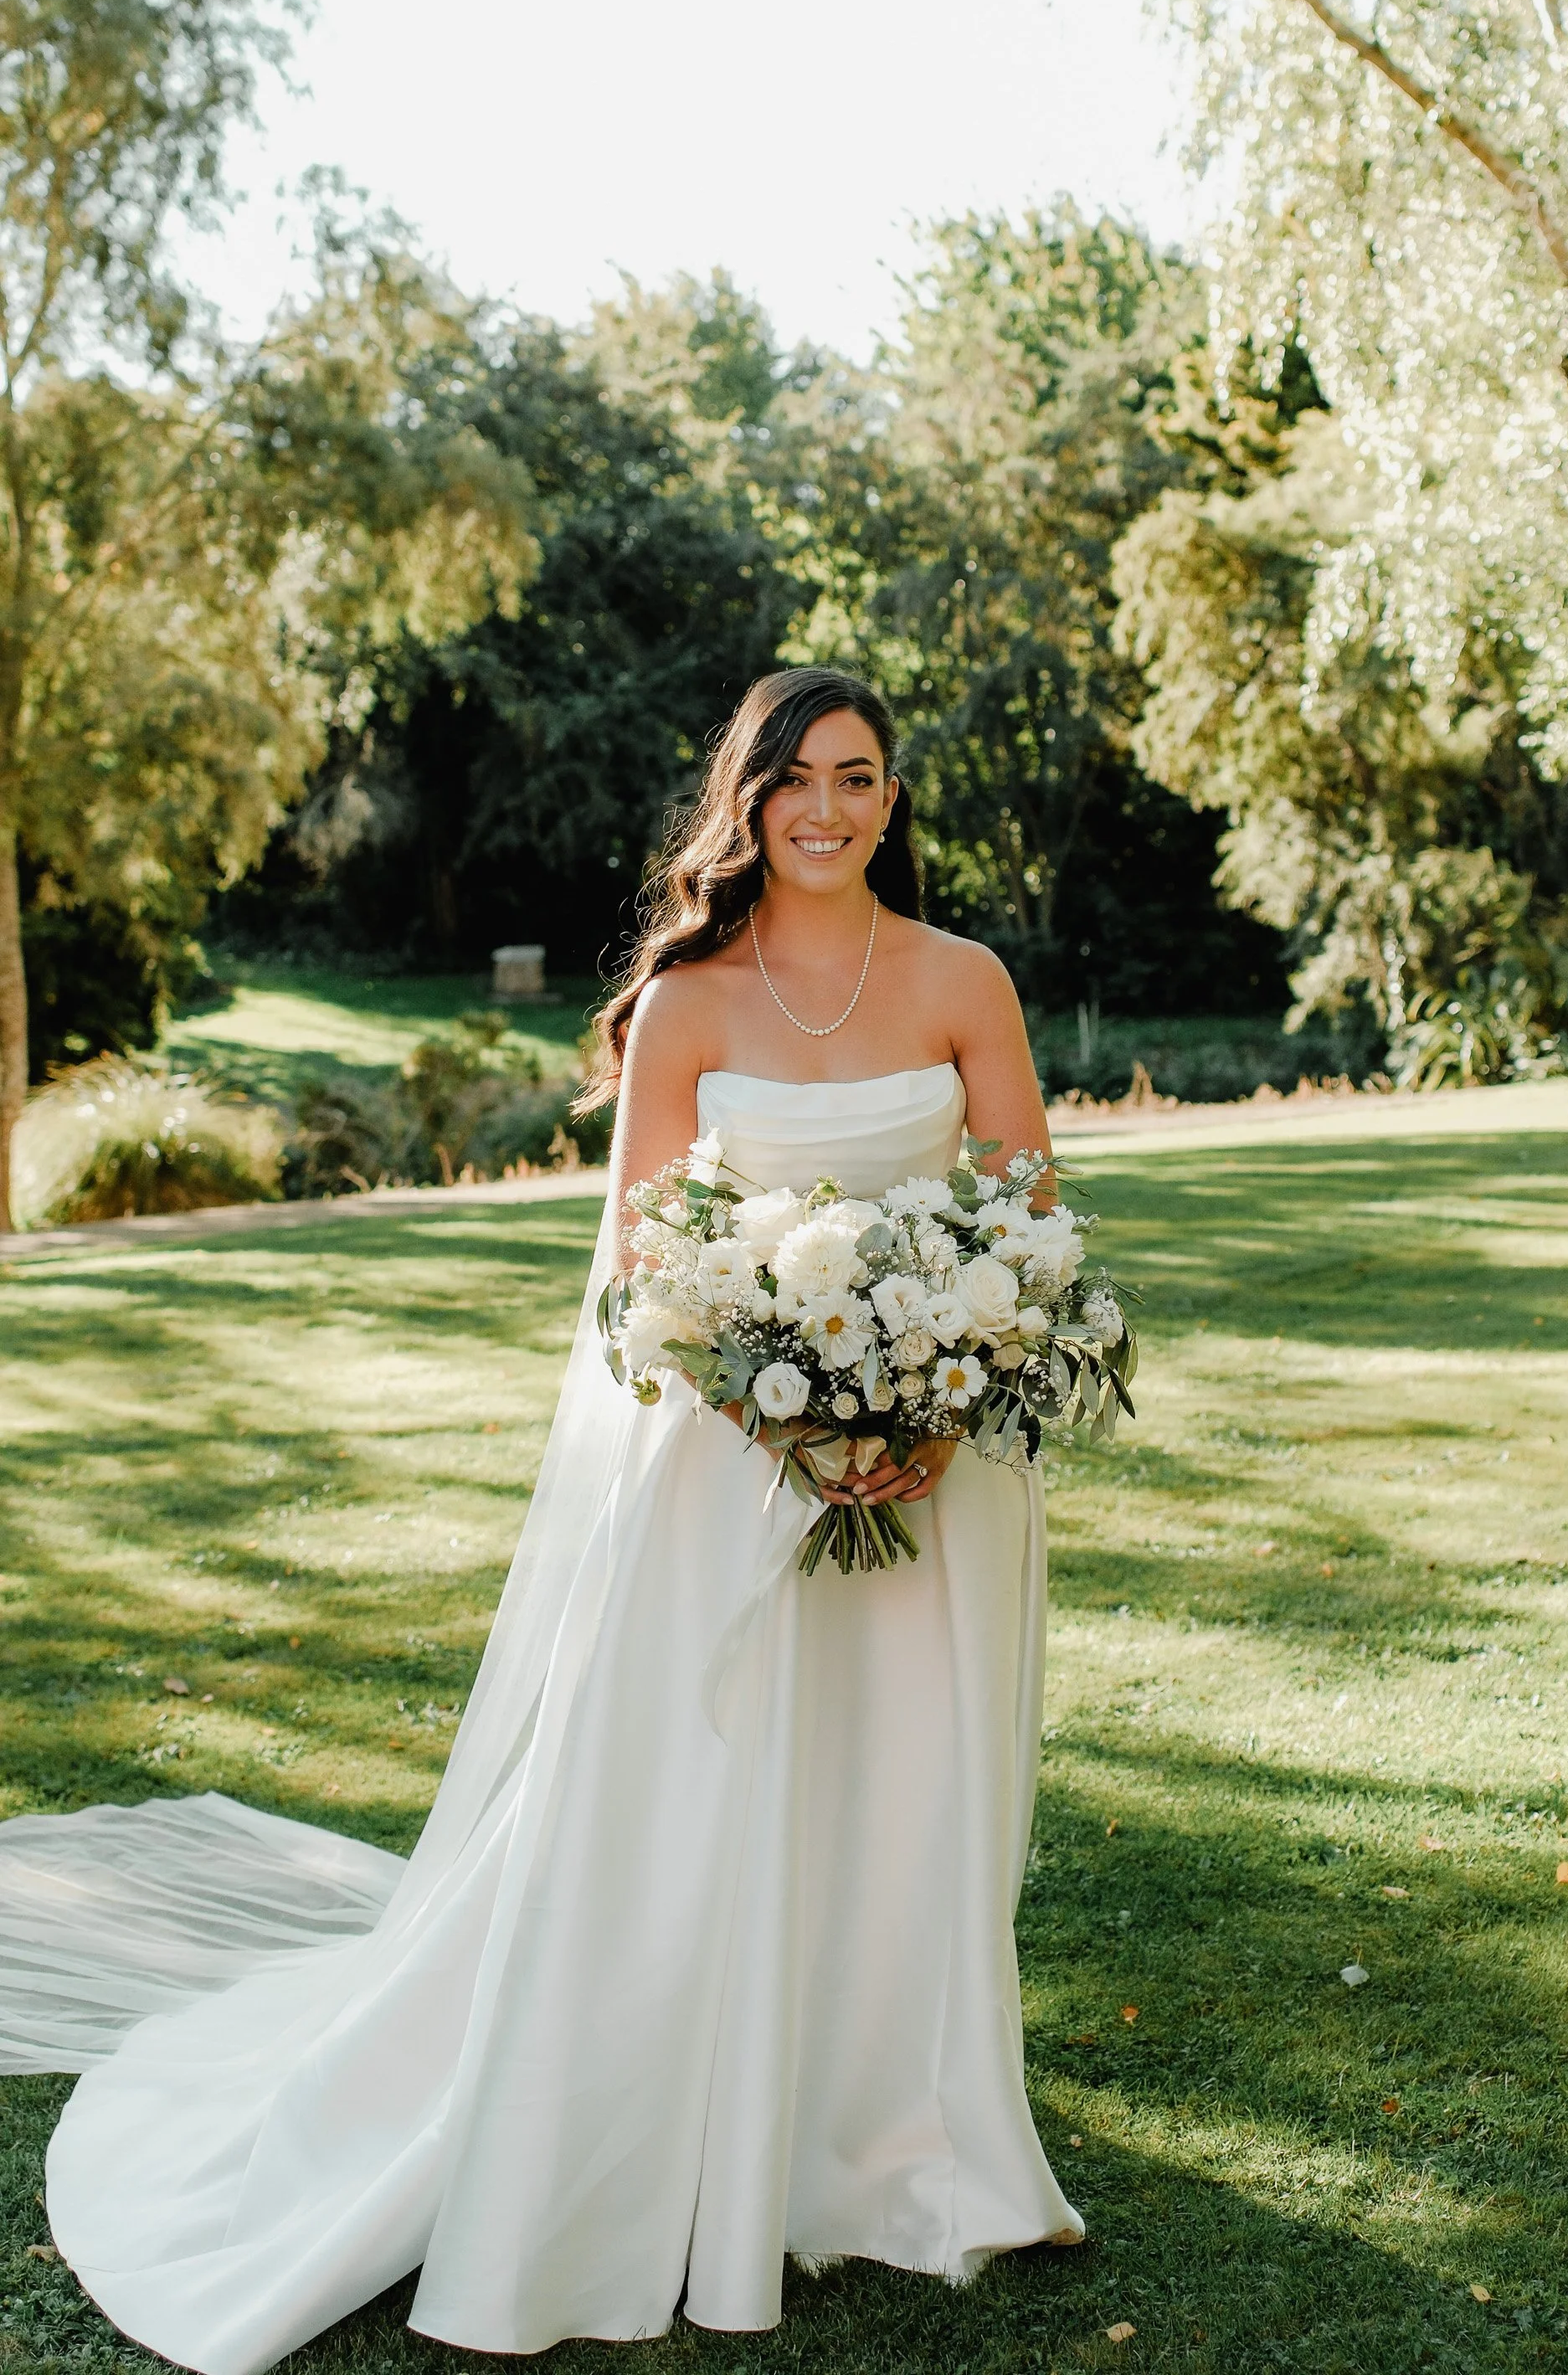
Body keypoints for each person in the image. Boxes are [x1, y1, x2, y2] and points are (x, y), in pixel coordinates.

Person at [0, 667, 1082, 2375]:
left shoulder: (966, 982)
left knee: (906, 1791)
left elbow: (1026, 1217)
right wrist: (791, 1416)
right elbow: (647, 1266)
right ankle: (705, 2130)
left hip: (945, 1476)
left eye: (857, 778)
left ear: (893, 798)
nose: (825, 808)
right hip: (733, 1472)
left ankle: (893, 2145)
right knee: (710, 1799)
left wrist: (934, 1408)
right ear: (745, 800)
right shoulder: (688, 1005)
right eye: (793, 779)